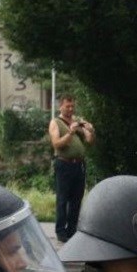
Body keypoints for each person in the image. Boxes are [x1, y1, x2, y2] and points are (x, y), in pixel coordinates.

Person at [48, 94, 95, 242]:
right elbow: (57, 144)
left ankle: (72, 230)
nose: (70, 109)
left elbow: (89, 141)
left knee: (76, 199)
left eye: (72, 106)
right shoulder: (56, 122)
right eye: (67, 106)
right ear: (60, 106)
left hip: (79, 165)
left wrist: (90, 130)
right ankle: (61, 232)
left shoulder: (76, 121)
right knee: (62, 199)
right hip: (64, 164)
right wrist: (70, 132)